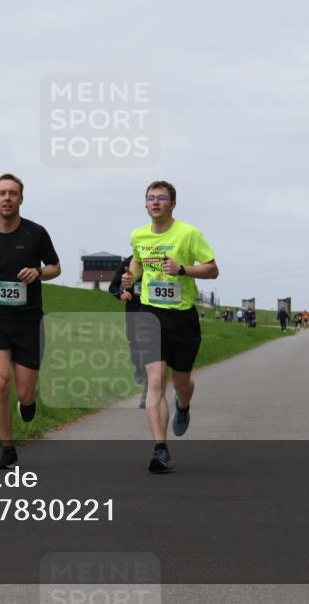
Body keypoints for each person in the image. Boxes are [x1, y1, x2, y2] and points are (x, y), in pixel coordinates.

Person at [0, 174, 61, 469]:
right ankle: (7, 448)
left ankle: (27, 403)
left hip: (29, 321)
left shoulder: (35, 234)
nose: (7, 198)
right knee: (0, 381)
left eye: (13, 193)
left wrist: (39, 272)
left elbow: (55, 267)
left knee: (25, 393)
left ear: (21, 199)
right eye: (1, 193)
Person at [121, 180, 218, 473]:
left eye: (161, 198)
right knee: (155, 379)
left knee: (181, 383)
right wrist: (130, 277)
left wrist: (183, 269)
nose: (155, 203)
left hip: (183, 317)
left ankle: (184, 406)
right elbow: (138, 263)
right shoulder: (138, 235)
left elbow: (213, 268)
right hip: (150, 314)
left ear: (173, 204)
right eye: (150, 198)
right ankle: (160, 448)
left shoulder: (188, 234)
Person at [109, 254, 150, 408]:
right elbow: (113, 287)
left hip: (155, 314)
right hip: (134, 313)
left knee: (150, 354)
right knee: (136, 349)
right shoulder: (128, 263)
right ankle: (138, 368)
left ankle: (146, 394)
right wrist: (121, 294)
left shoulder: (160, 261)